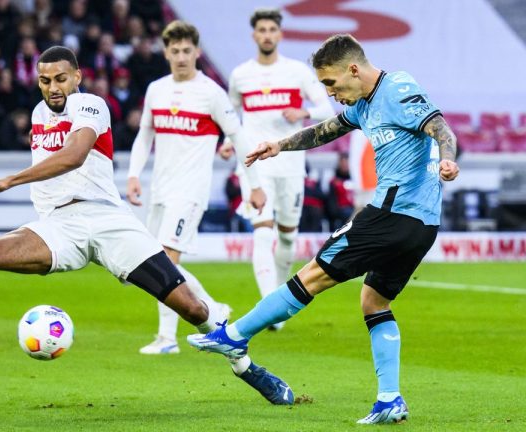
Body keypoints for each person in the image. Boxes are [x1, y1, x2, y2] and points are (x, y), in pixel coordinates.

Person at [0, 46, 293, 406]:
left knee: (195, 309)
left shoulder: (91, 105)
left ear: (78, 77)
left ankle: (245, 368)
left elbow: (72, 156)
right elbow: (56, 167)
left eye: (61, 79)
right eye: (46, 81)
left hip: (108, 222)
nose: (54, 88)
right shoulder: (37, 113)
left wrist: (8, 180)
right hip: (60, 226)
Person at [187, 33, 460, 424]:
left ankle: (235, 336)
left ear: (353, 69)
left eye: (331, 83)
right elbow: (325, 130)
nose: (330, 92)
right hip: (421, 224)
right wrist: (279, 145)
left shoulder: (398, 87)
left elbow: (440, 127)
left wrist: (448, 160)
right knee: (374, 302)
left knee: (312, 273)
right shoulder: (364, 105)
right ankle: (389, 400)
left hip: (392, 213)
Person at [126, 21, 266, 355]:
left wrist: (255, 186)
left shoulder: (211, 94)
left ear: (197, 52)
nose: (181, 57)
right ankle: (214, 310)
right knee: (151, 259)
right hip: (159, 188)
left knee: (165, 259)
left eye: (187, 50)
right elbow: (144, 135)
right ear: (166, 53)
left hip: (190, 191)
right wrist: (133, 175)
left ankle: (167, 338)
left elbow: (239, 136)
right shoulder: (156, 90)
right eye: (174, 51)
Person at [219, 8, 334, 330]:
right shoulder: (241, 75)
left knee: (287, 238)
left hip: (291, 163)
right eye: (262, 30)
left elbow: (326, 107)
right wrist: (230, 141)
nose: (267, 35)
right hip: (255, 164)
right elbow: (231, 116)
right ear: (254, 35)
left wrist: (304, 112)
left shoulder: (296, 71)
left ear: (279, 34)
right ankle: (270, 306)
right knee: (262, 232)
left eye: (272, 29)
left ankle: (277, 301)